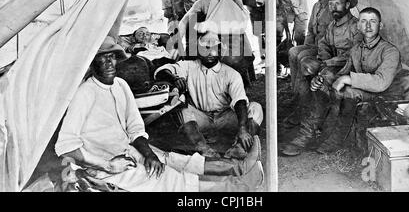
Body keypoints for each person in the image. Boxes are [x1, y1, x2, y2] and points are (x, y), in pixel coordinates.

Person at [55, 36, 264, 192]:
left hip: (127, 150)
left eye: (112, 57)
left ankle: (238, 167)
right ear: (92, 63)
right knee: (168, 179)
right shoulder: (85, 93)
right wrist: (107, 165)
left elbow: (135, 128)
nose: (110, 63)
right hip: (106, 163)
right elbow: (66, 146)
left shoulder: (120, 85)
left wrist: (149, 154)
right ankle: (237, 187)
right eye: (103, 59)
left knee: (173, 160)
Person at [314, 7, 409, 153]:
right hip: (368, 91)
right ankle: (326, 131)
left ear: (380, 26)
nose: (368, 26)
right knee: (335, 87)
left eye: (373, 21)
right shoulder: (356, 49)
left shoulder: (390, 50)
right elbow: (344, 72)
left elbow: (381, 82)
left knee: (348, 92)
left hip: (389, 94)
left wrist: (348, 78)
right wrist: (323, 80)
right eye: (364, 21)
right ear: (358, 26)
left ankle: (336, 139)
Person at [154, 32, 263, 160]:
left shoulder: (230, 73)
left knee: (256, 108)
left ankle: (239, 147)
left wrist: (243, 129)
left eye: (214, 49)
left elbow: (239, 101)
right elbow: (161, 71)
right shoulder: (189, 66)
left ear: (219, 51)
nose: (210, 53)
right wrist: (174, 78)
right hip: (201, 118)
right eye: (205, 48)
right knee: (181, 107)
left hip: (225, 118)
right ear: (199, 51)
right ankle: (203, 148)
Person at [282, 0, 362, 156]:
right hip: (333, 67)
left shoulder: (356, 26)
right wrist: (323, 62)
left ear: (347, 5)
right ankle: (302, 114)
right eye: (331, 4)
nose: (333, 8)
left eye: (338, 4)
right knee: (307, 70)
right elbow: (324, 44)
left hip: (351, 70)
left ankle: (307, 135)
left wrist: (326, 65)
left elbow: (353, 56)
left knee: (321, 83)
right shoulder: (333, 25)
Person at [178, 0, 254, 87]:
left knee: (235, 53)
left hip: (233, 38)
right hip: (213, 40)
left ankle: (236, 84)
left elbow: (243, 22)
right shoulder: (203, 2)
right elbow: (185, 19)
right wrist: (178, 40)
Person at [288, 0, 334, 97]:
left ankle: (304, 95)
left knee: (302, 56)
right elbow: (310, 30)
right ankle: (296, 90)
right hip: (315, 46)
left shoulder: (333, 6)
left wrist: (312, 50)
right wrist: (307, 45)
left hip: (327, 49)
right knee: (293, 51)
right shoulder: (316, 6)